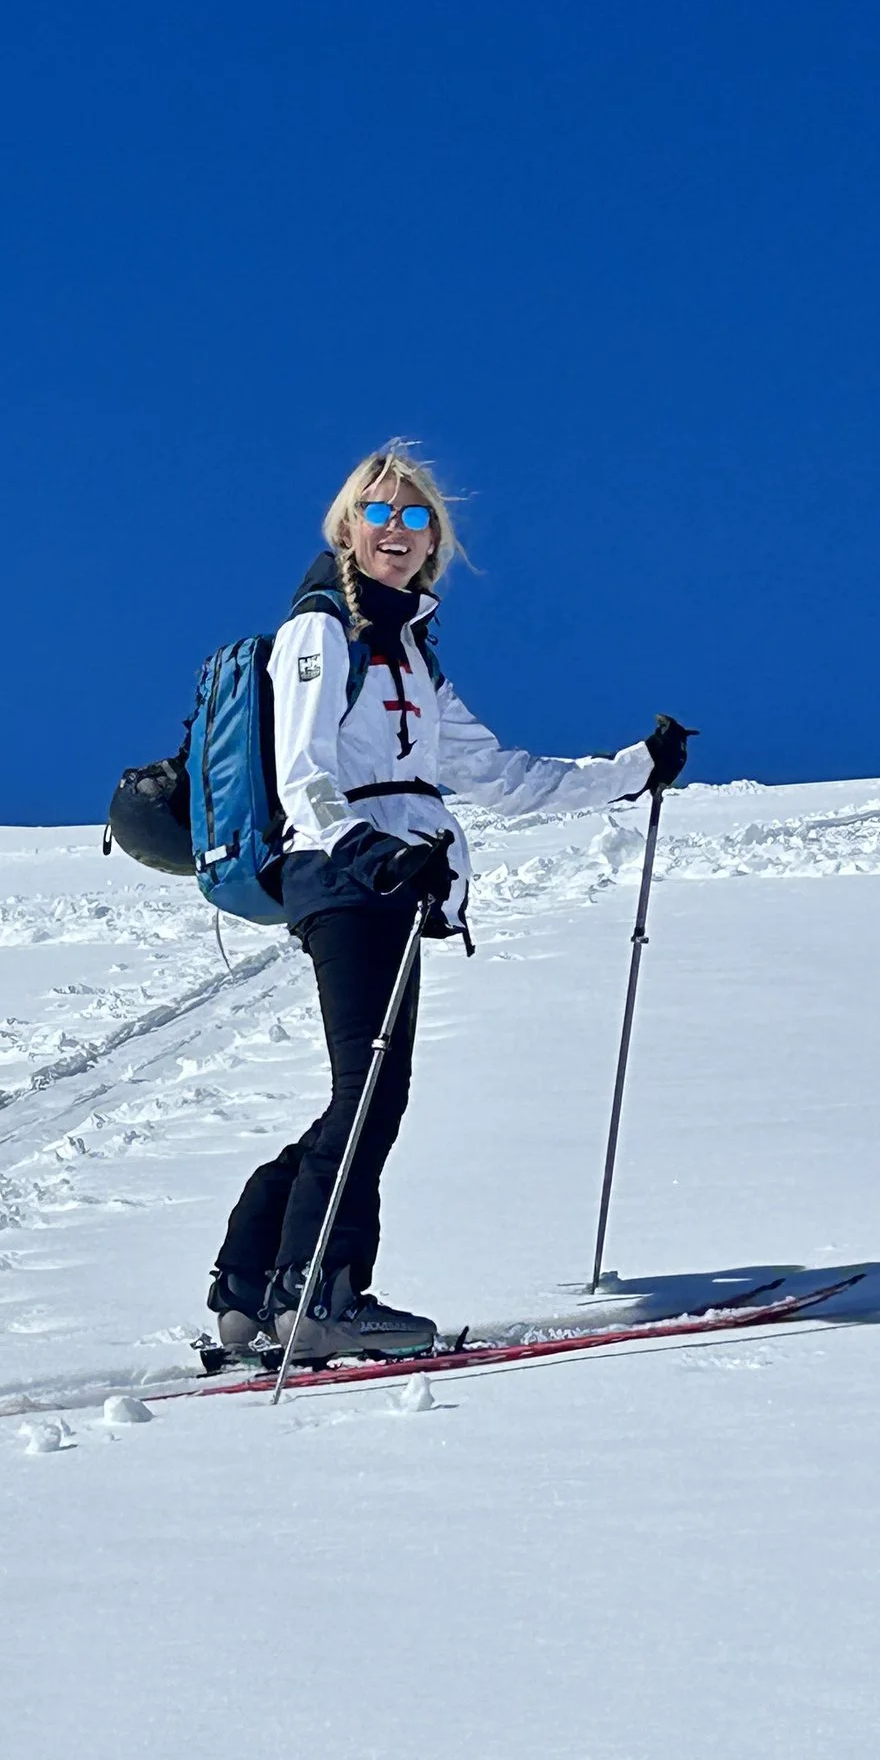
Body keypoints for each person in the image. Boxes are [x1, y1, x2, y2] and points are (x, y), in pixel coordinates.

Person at [210, 442, 689, 1364]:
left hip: (392, 882)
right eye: (380, 514)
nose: (398, 530)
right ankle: (321, 1295)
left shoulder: (411, 657)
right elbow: (305, 770)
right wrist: (370, 853)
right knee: (373, 1093)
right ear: (348, 527)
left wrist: (634, 771)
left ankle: (251, 1282)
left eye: (416, 518)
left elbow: (503, 775)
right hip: (348, 878)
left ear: (435, 543)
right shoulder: (321, 631)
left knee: (364, 1093)